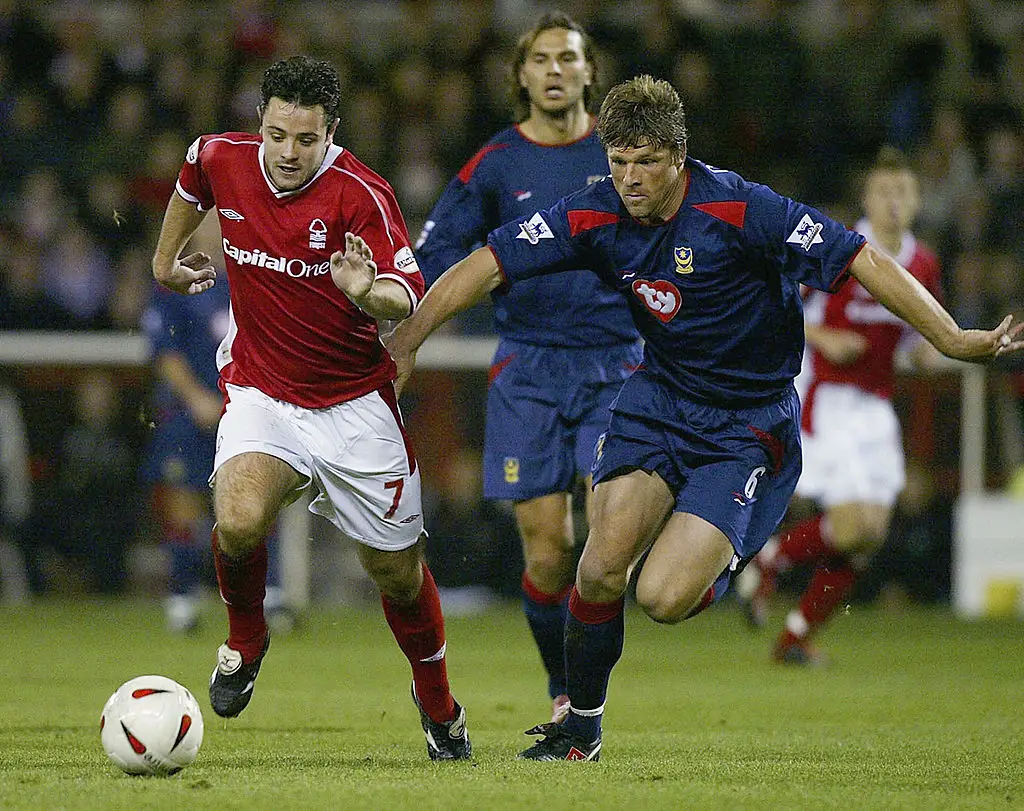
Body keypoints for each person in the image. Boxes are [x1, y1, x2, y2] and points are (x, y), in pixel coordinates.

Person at [386, 75, 1022, 762]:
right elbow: (486, 263)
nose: (629, 178)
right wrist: (410, 337)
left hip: (747, 425)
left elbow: (860, 259)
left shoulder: (742, 208)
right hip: (657, 399)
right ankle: (581, 728)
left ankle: (733, 552)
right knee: (598, 565)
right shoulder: (595, 212)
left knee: (661, 597)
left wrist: (950, 336)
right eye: (618, 160)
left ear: (679, 158)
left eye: (647, 162)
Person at [150, 55, 470, 760]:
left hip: (354, 404)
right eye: (276, 135)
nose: (289, 153)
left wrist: (367, 289)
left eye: (307, 139)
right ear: (259, 123)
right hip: (263, 391)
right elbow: (191, 171)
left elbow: (405, 294)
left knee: (397, 572)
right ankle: (246, 636)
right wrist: (164, 260)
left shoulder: (364, 194)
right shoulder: (225, 157)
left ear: (332, 133)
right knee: (236, 517)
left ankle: (439, 702)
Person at [415, 11, 642, 724]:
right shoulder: (496, 163)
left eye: (566, 58)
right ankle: (564, 686)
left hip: (618, 366)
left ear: (587, 72)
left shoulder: (622, 155)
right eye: (540, 58)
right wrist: (386, 297)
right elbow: (436, 250)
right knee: (549, 552)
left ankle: (588, 703)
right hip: (528, 369)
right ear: (520, 74)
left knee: (609, 543)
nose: (553, 69)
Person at [742, 147, 945, 664]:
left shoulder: (923, 263)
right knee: (853, 525)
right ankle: (771, 558)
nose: (893, 201)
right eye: (884, 191)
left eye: (902, 191)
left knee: (869, 536)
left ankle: (795, 635)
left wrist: (925, 350)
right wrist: (822, 336)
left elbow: (910, 336)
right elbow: (775, 302)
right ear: (867, 198)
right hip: (826, 395)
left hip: (876, 406)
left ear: (917, 199)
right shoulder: (842, 250)